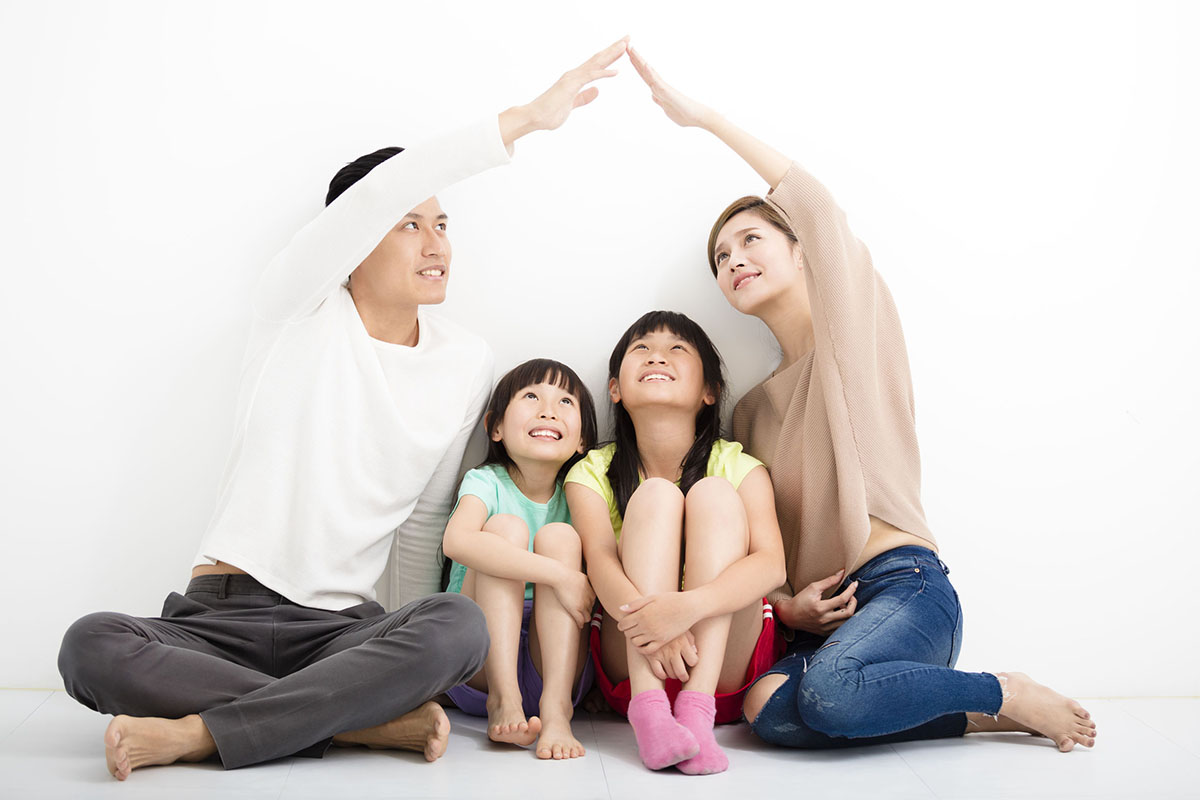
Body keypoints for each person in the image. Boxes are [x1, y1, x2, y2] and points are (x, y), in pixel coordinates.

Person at [55, 39, 630, 780]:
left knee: (456, 627)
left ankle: (199, 733)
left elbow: (424, 525)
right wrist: (523, 119)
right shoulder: (294, 309)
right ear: (355, 242)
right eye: (409, 224)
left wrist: (415, 671)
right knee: (89, 646)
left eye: (442, 225)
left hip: (341, 635)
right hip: (219, 616)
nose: (436, 244)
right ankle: (357, 726)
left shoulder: (465, 361)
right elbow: (373, 197)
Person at [626, 46, 1098, 753]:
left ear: (801, 252)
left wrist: (705, 120)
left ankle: (1002, 689)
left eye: (750, 240)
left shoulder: (852, 332)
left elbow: (816, 206)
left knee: (830, 693)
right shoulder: (749, 413)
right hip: (824, 622)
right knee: (765, 711)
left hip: (905, 587)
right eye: (721, 258)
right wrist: (787, 607)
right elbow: (763, 542)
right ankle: (977, 717)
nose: (734, 260)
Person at [565, 311, 786, 775]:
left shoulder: (740, 467)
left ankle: (695, 711)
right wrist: (653, 624)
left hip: (724, 668)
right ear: (615, 389)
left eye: (677, 349)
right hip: (633, 656)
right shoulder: (590, 472)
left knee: (713, 494)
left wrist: (685, 610)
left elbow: (772, 566)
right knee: (656, 495)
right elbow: (599, 562)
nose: (656, 357)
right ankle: (650, 711)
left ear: (710, 392)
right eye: (641, 348)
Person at [441, 359, 598, 760]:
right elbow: (456, 541)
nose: (548, 411)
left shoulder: (581, 492)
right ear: (495, 427)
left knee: (560, 536)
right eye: (531, 396)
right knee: (505, 529)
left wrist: (562, 575)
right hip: (480, 666)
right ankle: (504, 698)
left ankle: (557, 711)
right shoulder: (486, 482)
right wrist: (559, 575)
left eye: (565, 401)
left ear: (582, 439)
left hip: (555, 660)